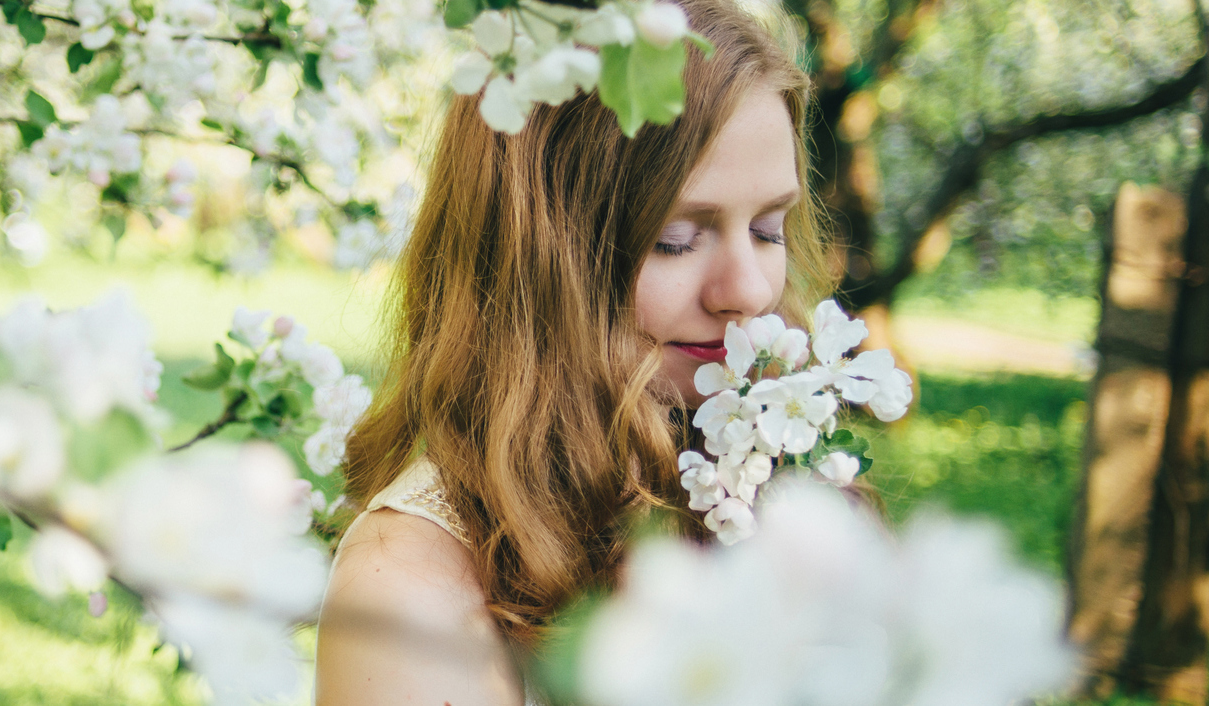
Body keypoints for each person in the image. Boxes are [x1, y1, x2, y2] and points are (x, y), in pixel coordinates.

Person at [313, 1, 835, 702]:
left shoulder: (761, 471)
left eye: (769, 230)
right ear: (537, 253)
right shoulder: (411, 586)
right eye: (673, 240)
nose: (745, 290)